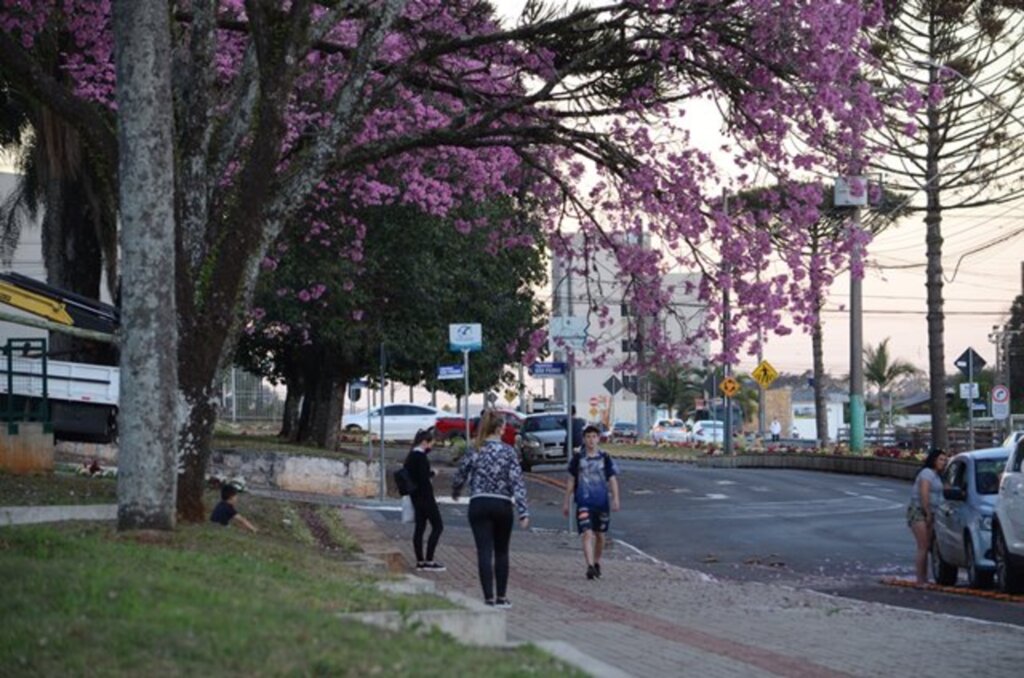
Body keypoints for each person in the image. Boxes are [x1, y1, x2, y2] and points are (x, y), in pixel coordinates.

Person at [452, 409, 529, 608]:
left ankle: (488, 598)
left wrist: (456, 491)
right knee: (502, 551)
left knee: (484, 551)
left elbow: (461, 473)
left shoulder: (475, 449)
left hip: (479, 503)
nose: (505, 429)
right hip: (502, 504)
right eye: (504, 426)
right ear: (498, 428)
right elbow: (516, 482)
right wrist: (523, 511)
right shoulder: (508, 451)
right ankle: (502, 597)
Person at [563, 424, 620, 580]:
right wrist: (566, 502)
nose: (591, 440)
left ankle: (596, 562)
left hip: (601, 502)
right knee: (587, 533)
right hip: (583, 502)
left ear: (598, 438)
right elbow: (571, 480)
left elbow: (612, 479)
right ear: (584, 439)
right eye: (588, 437)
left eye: (594, 437)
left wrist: (615, 498)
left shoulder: (605, 458)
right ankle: (589, 566)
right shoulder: (578, 459)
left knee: (600, 535)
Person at [907, 447, 949, 585]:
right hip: (919, 510)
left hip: (932, 511)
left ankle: (924, 577)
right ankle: (920, 579)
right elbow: (924, 493)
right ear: (933, 460)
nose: (943, 462)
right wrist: (927, 512)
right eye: (941, 459)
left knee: (927, 546)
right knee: (923, 546)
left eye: (945, 460)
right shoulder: (926, 473)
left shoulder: (937, 476)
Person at [404, 428, 445, 571]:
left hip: (415, 497)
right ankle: (429, 560)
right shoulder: (420, 457)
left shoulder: (410, 456)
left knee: (420, 528)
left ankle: (420, 560)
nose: (431, 447)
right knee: (438, 526)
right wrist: (432, 473)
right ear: (424, 442)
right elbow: (423, 477)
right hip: (425, 497)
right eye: (430, 443)